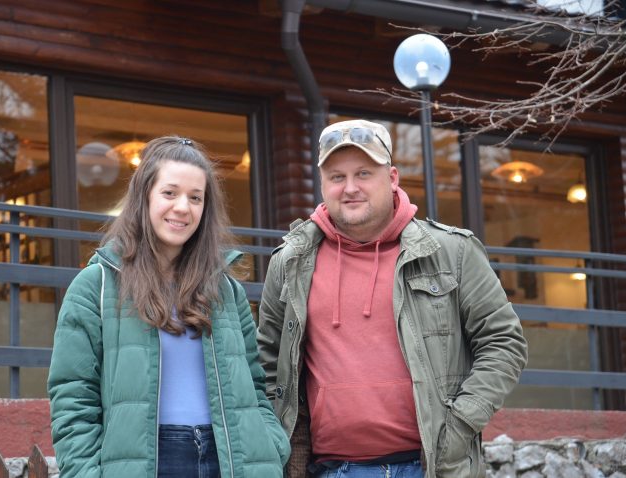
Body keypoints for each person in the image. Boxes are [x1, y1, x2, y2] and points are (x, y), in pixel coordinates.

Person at [257, 119, 528, 478]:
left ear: (393, 177)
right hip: (332, 469)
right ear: (323, 184)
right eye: (337, 177)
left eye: (364, 173)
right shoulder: (290, 262)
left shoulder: (452, 252)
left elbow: (503, 342)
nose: (350, 188)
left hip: (432, 466)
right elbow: (267, 363)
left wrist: (462, 423)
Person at [48, 136, 290, 478]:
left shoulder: (226, 290)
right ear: (144, 196)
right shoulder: (95, 286)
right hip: (149, 462)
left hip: (229, 459)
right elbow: (73, 399)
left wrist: (270, 444)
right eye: (170, 193)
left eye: (196, 198)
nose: (183, 207)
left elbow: (254, 386)